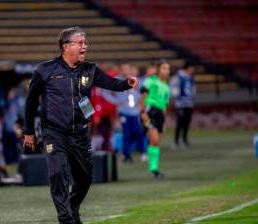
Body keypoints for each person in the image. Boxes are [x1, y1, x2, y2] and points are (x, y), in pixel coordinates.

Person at [23, 27, 138, 224]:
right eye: (80, 43)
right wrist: (29, 132)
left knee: (85, 178)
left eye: (85, 43)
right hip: (54, 132)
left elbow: (112, 84)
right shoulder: (45, 70)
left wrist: (126, 83)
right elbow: (31, 102)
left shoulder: (90, 70)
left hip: (80, 134)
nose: (85, 46)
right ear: (66, 46)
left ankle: (73, 206)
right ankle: (66, 218)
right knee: (58, 174)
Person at [139, 59, 171, 179]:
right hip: (149, 112)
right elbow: (143, 97)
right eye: (164, 68)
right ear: (158, 70)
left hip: (160, 115)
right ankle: (153, 169)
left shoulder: (166, 87)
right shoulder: (150, 81)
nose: (166, 71)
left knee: (156, 143)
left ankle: (154, 169)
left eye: (168, 69)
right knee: (154, 139)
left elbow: (164, 106)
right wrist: (142, 112)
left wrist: (164, 120)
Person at [170, 62, 196, 149]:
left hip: (189, 103)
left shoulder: (190, 77)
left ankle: (184, 139)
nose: (193, 70)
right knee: (180, 122)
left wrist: (192, 95)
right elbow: (172, 87)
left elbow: (192, 88)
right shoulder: (178, 77)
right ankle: (176, 141)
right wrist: (176, 95)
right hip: (180, 104)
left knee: (187, 122)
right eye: (191, 68)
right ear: (187, 68)